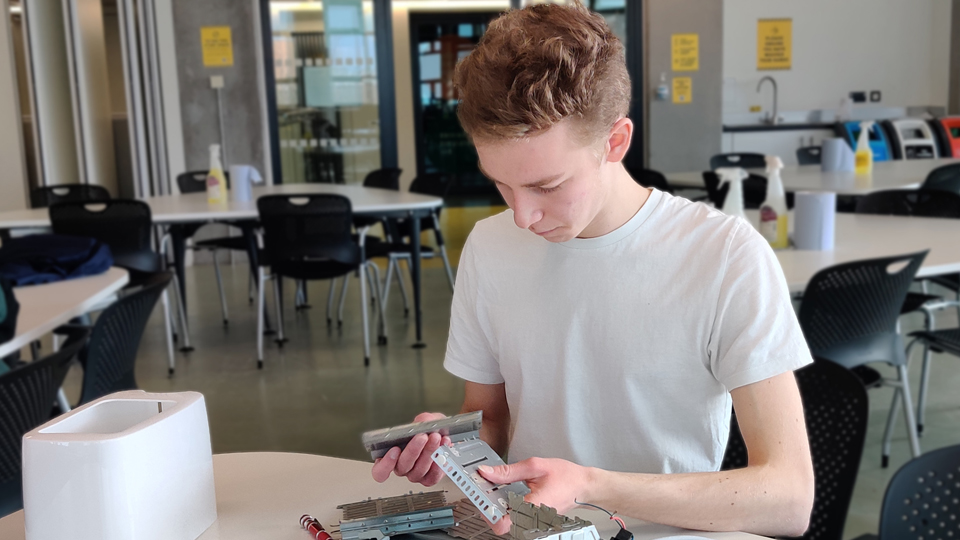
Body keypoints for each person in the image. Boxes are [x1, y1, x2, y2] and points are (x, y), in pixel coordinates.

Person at [371, 3, 815, 537]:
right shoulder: (489, 246)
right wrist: (453, 447)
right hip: (532, 531)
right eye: (501, 183)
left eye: (547, 186)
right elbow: (491, 419)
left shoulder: (725, 256)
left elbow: (789, 499)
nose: (522, 216)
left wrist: (592, 485)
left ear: (615, 142)